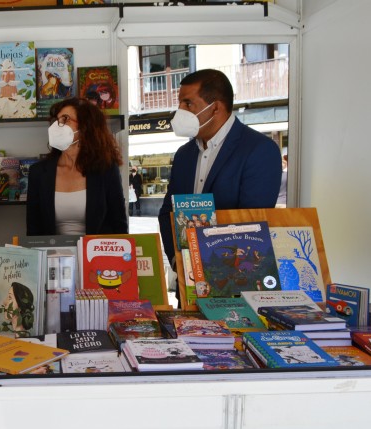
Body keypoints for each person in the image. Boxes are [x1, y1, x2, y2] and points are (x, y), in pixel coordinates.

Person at [158, 69, 282, 306]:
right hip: (189, 286)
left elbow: (253, 221)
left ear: (215, 107)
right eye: (180, 103)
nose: (180, 112)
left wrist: (210, 264)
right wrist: (178, 261)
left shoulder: (259, 150)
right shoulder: (185, 154)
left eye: (188, 103)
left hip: (235, 289)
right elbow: (168, 212)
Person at [26, 97, 128, 236]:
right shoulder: (38, 172)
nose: (57, 125)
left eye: (65, 119)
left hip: (96, 254)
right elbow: (33, 230)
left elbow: (119, 225)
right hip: (53, 255)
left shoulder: (107, 170)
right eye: (56, 120)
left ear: (85, 126)